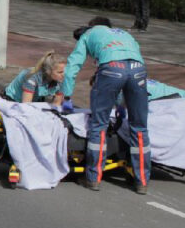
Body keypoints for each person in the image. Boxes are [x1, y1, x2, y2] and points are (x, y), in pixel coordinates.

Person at [52, 17, 150, 193]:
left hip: (111, 68)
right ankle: (142, 181)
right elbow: (128, 67)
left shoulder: (89, 34)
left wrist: (66, 96)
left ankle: (93, 178)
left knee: (99, 125)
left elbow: (73, 65)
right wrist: (120, 107)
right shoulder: (125, 34)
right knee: (140, 127)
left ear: (91, 26)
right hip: (139, 69)